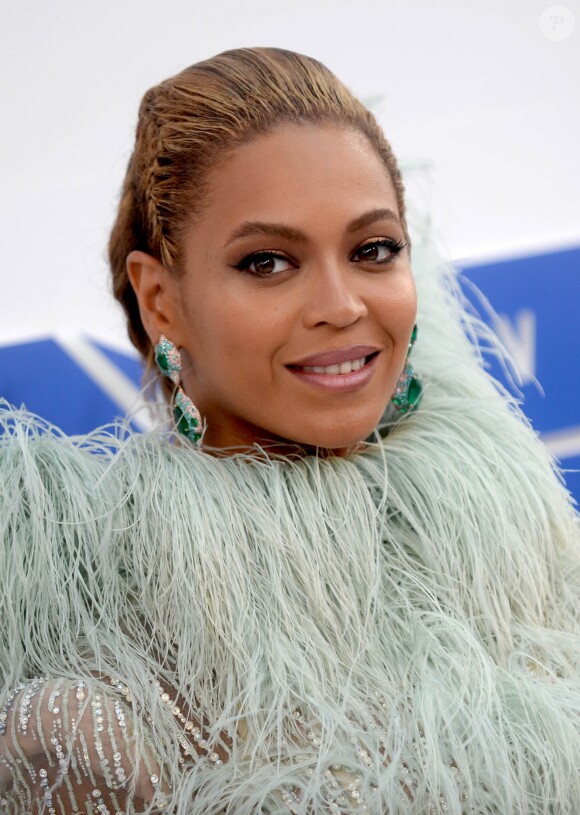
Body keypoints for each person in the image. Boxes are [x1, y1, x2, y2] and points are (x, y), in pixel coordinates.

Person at [1, 47, 579, 815]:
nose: (341, 304)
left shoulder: (520, 532)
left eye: (373, 249)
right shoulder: (94, 695)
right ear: (161, 299)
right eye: (268, 262)